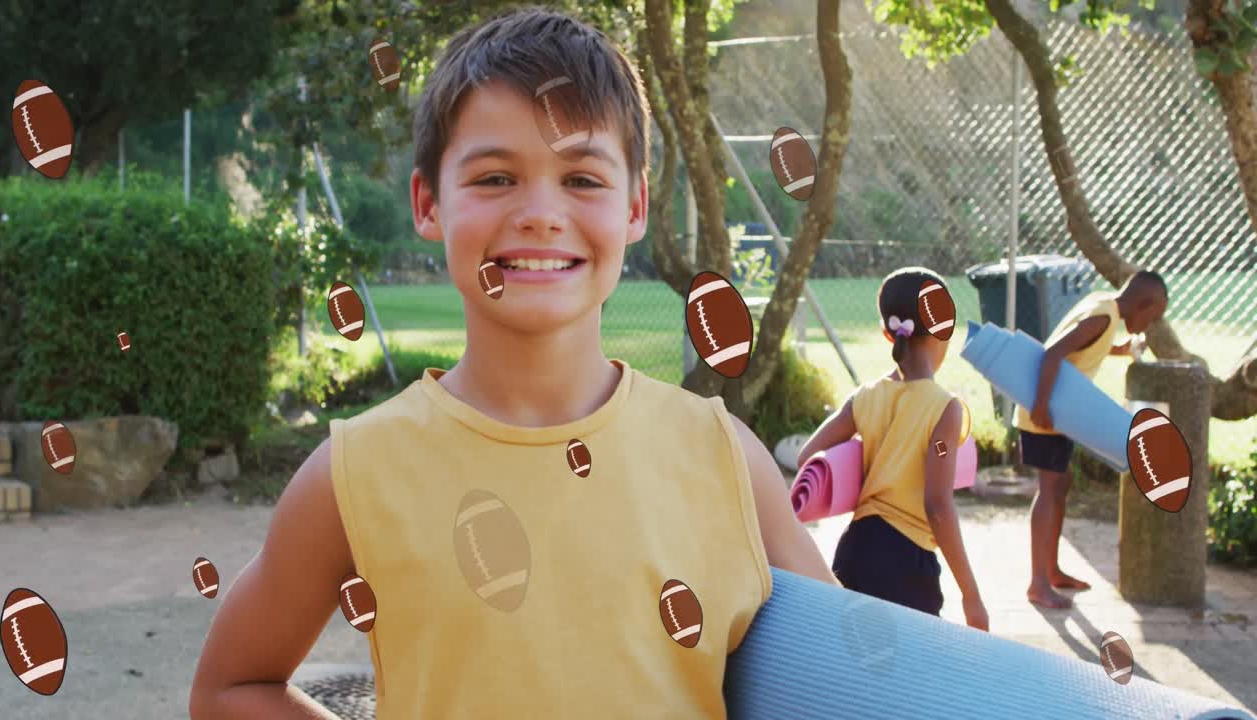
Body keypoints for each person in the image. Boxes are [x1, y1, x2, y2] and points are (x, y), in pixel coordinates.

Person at [188, 7, 838, 719]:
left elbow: (853, 685)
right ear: (428, 202)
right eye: (496, 178)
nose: (540, 212)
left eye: (583, 179)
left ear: (635, 206)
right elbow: (231, 688)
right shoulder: (355, 473)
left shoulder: (724, 460)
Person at [796, 267, 989, 631]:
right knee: (910, 679)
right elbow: (938, 506)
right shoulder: (944, 409)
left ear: (888, 332)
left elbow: (808, 457)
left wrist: (867, 453)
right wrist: (971, 594)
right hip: (906, 562)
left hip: (854, 551)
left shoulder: (864, 398)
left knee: (856, 674)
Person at [1017, 270, 1169, 609]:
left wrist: (1122, 348)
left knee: (1060, 483)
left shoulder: (1105, 310)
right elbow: (1053, 353)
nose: (1148, 326)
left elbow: (1086, 347)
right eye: (1152, 317)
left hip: (1056, 409)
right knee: (1049, 488)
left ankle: (1051, 571)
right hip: (1045, 409)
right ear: (1142, 304)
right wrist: (1040, 404)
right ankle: (1038, 583)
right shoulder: (1103, 317)